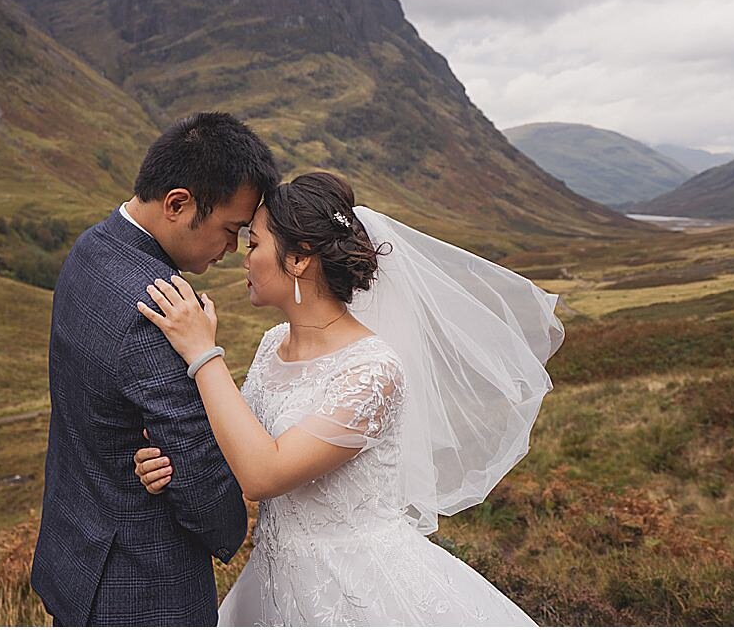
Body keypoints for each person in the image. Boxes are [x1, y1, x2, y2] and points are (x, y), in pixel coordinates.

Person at [133, 171, 564, 626]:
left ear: (298, 260)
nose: (244, 256)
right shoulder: (271, 345)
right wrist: (170, 462)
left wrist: (203, 353)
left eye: (255, 243)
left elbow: (263, 474)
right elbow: (240, 448)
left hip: (357, 592)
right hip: (274, 580)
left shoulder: (373, 372)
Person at [30, 112, 280, 626]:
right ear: (177, 204)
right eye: (229, 229)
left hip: (76, 557)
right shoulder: (161, 309)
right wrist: (232, 525)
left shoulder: (92, 247)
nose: (232, 249)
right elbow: (201, 478)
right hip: (140, 587)